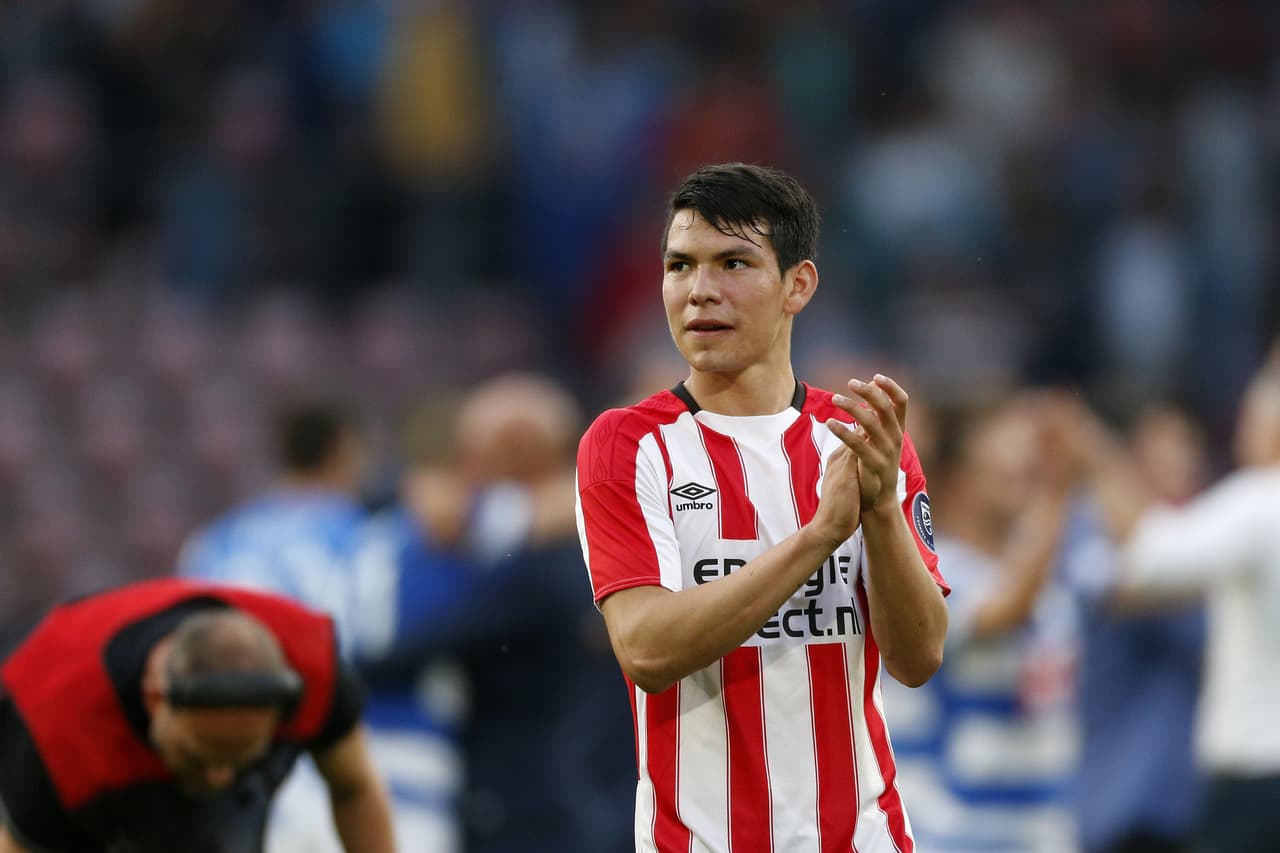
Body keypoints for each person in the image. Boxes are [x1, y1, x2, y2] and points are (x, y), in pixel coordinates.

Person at [575, 163, 949, 851]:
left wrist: (884, 514)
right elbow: (646, 648)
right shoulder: (628, 446)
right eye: (679, 265)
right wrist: (817, 539)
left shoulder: (862, 437)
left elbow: (919, 656)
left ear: (797, 285)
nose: (700, 291)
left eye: (733, 263)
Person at [179, 400, 466, 853]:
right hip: (388, 773)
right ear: (346, 450)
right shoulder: (387, 539)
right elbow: (425, 641)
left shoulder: (216, 544)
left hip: (266, 778)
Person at [1053, 343, 1280, 853]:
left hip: (1247, 775)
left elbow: (1148, 557)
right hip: (1133, 793)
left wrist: (1093, 452)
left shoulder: (1255, 504)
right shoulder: (1096, 530)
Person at [0, 578, 394, 853]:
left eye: (241, 759)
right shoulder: (55, 726)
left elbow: (354, 787)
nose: (219, 778)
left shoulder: (313, 667)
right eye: (199, 755)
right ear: (155, 698)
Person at [882, 394, 1081, 852]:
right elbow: (1004, 614)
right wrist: (1057, 492)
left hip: (1040, 827)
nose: (1026, 484)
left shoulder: (1046, 572)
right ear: (957, 482)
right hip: (954, 830)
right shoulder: (935, 571)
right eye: (1008, 472)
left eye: (1031, 473)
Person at [1063, 404, 1206, 853]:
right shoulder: (1089, 533)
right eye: (1160, 461)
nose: (1176, 473)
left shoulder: (1209, 539)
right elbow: (1126, 587)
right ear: (1132, 467)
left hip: (1186, 799)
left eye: (1186, 458)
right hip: (1119, 798)